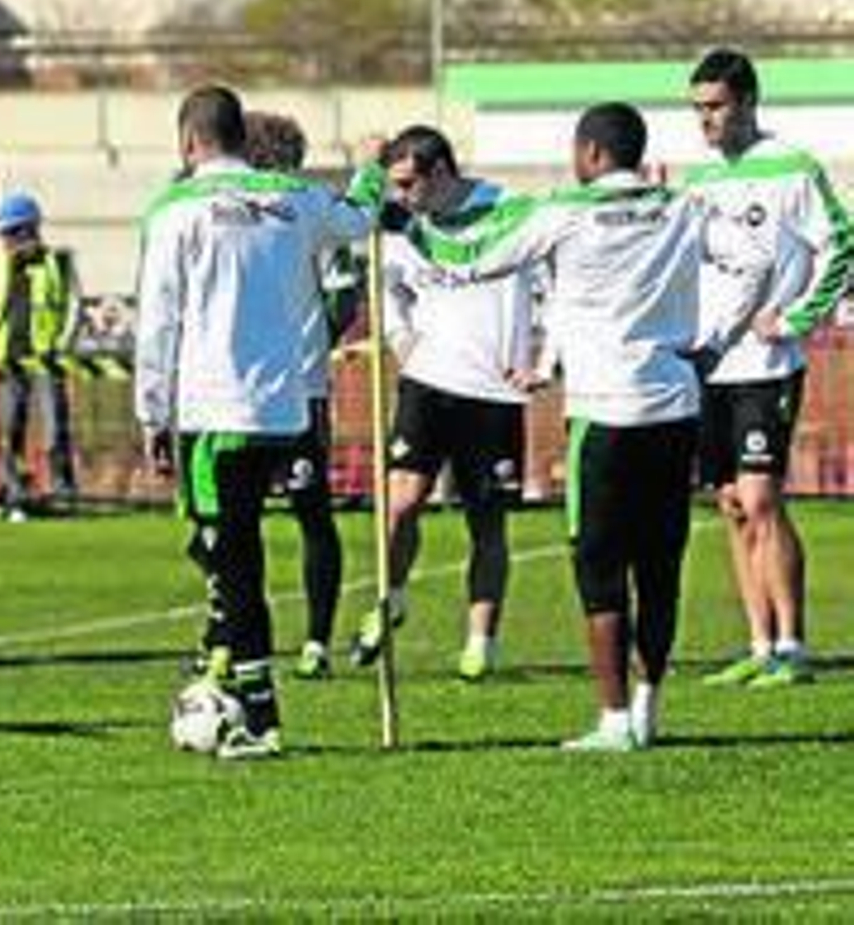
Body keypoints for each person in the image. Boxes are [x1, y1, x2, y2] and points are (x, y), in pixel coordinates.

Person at [413, 103, 733, 751]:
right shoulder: (684, 205)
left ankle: (613, 718)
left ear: (589, 153)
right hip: (674, 404)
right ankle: (647, 705)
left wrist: (408, 226)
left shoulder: (565, 211)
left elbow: (471, 260)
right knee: (661, 561)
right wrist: (715, 341)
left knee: (599, 561)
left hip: (604, 411)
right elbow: (756, 258)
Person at [135, 85, 381, 759]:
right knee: (250, 551)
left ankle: (257, 715)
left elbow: (158, 319)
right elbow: (361, 219)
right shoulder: (294, 199)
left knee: (231, 561)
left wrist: (151, 410)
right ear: (241, 137)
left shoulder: (174, 210)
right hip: (286, 407)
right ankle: (247, 695)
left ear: (189, 142)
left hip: (213, 412)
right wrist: (372, 168)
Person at [685, 48, 853, 688]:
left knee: (761, 496)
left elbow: (843, 243)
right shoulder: (696, 180)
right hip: (712, 364)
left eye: (717, 106)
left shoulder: (793, 168)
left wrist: (797, 318)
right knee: (730, 503)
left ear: (749, 102)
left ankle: (793, 645)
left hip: (767, 363)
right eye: (698, 109)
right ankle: (758, 643)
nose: (707, 120)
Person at [346, 126, 534, 683]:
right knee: (400, 501)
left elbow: (554, 278)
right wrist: (401, 339)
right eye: (395, 185)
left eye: (409, 184)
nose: (402, 196)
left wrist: (541, 351)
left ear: (442, 172)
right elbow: (388, 283)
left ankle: (481, 642)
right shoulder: (404, 226)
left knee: (487, 524)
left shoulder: (509, 211)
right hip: (428, 382)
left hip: (494, 392)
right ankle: (392, 596)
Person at [241, 110, 346, 681]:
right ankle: (235, 636)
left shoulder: (310, 211)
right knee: (240, 519)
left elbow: (345, 291)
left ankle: (314, 642)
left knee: (309, 513)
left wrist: (312, 343)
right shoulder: (235, 210)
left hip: (295, 389)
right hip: (259, 390)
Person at [0, 191, 81, 518]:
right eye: (5, 234)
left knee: (54, 429)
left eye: (14, 233)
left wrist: (62, 346)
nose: (8, 241)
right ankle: (12, 492)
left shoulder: (57, 263)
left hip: (46, 359)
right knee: (8, 431)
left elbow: (73, 307)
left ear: (31, 230)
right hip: (8, 361)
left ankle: (63, 491)